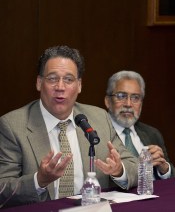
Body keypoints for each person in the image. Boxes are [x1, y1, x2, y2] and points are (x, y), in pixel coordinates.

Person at [0, 46, 138, 208]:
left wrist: (118, 170)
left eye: (68, 79)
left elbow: (134, 167)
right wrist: (39, 180)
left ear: (79, 85)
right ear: (39, 83)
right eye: (52, 79)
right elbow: (2, 188)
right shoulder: (12, 125)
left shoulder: (98, 118)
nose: (60, 87)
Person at [104, 70, 175, 179]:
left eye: (135, 97)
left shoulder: (152, 133)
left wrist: (164, 169)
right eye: (121, 96)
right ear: (108, 101)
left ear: (141, 103)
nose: (128, 104)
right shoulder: (97, 134)